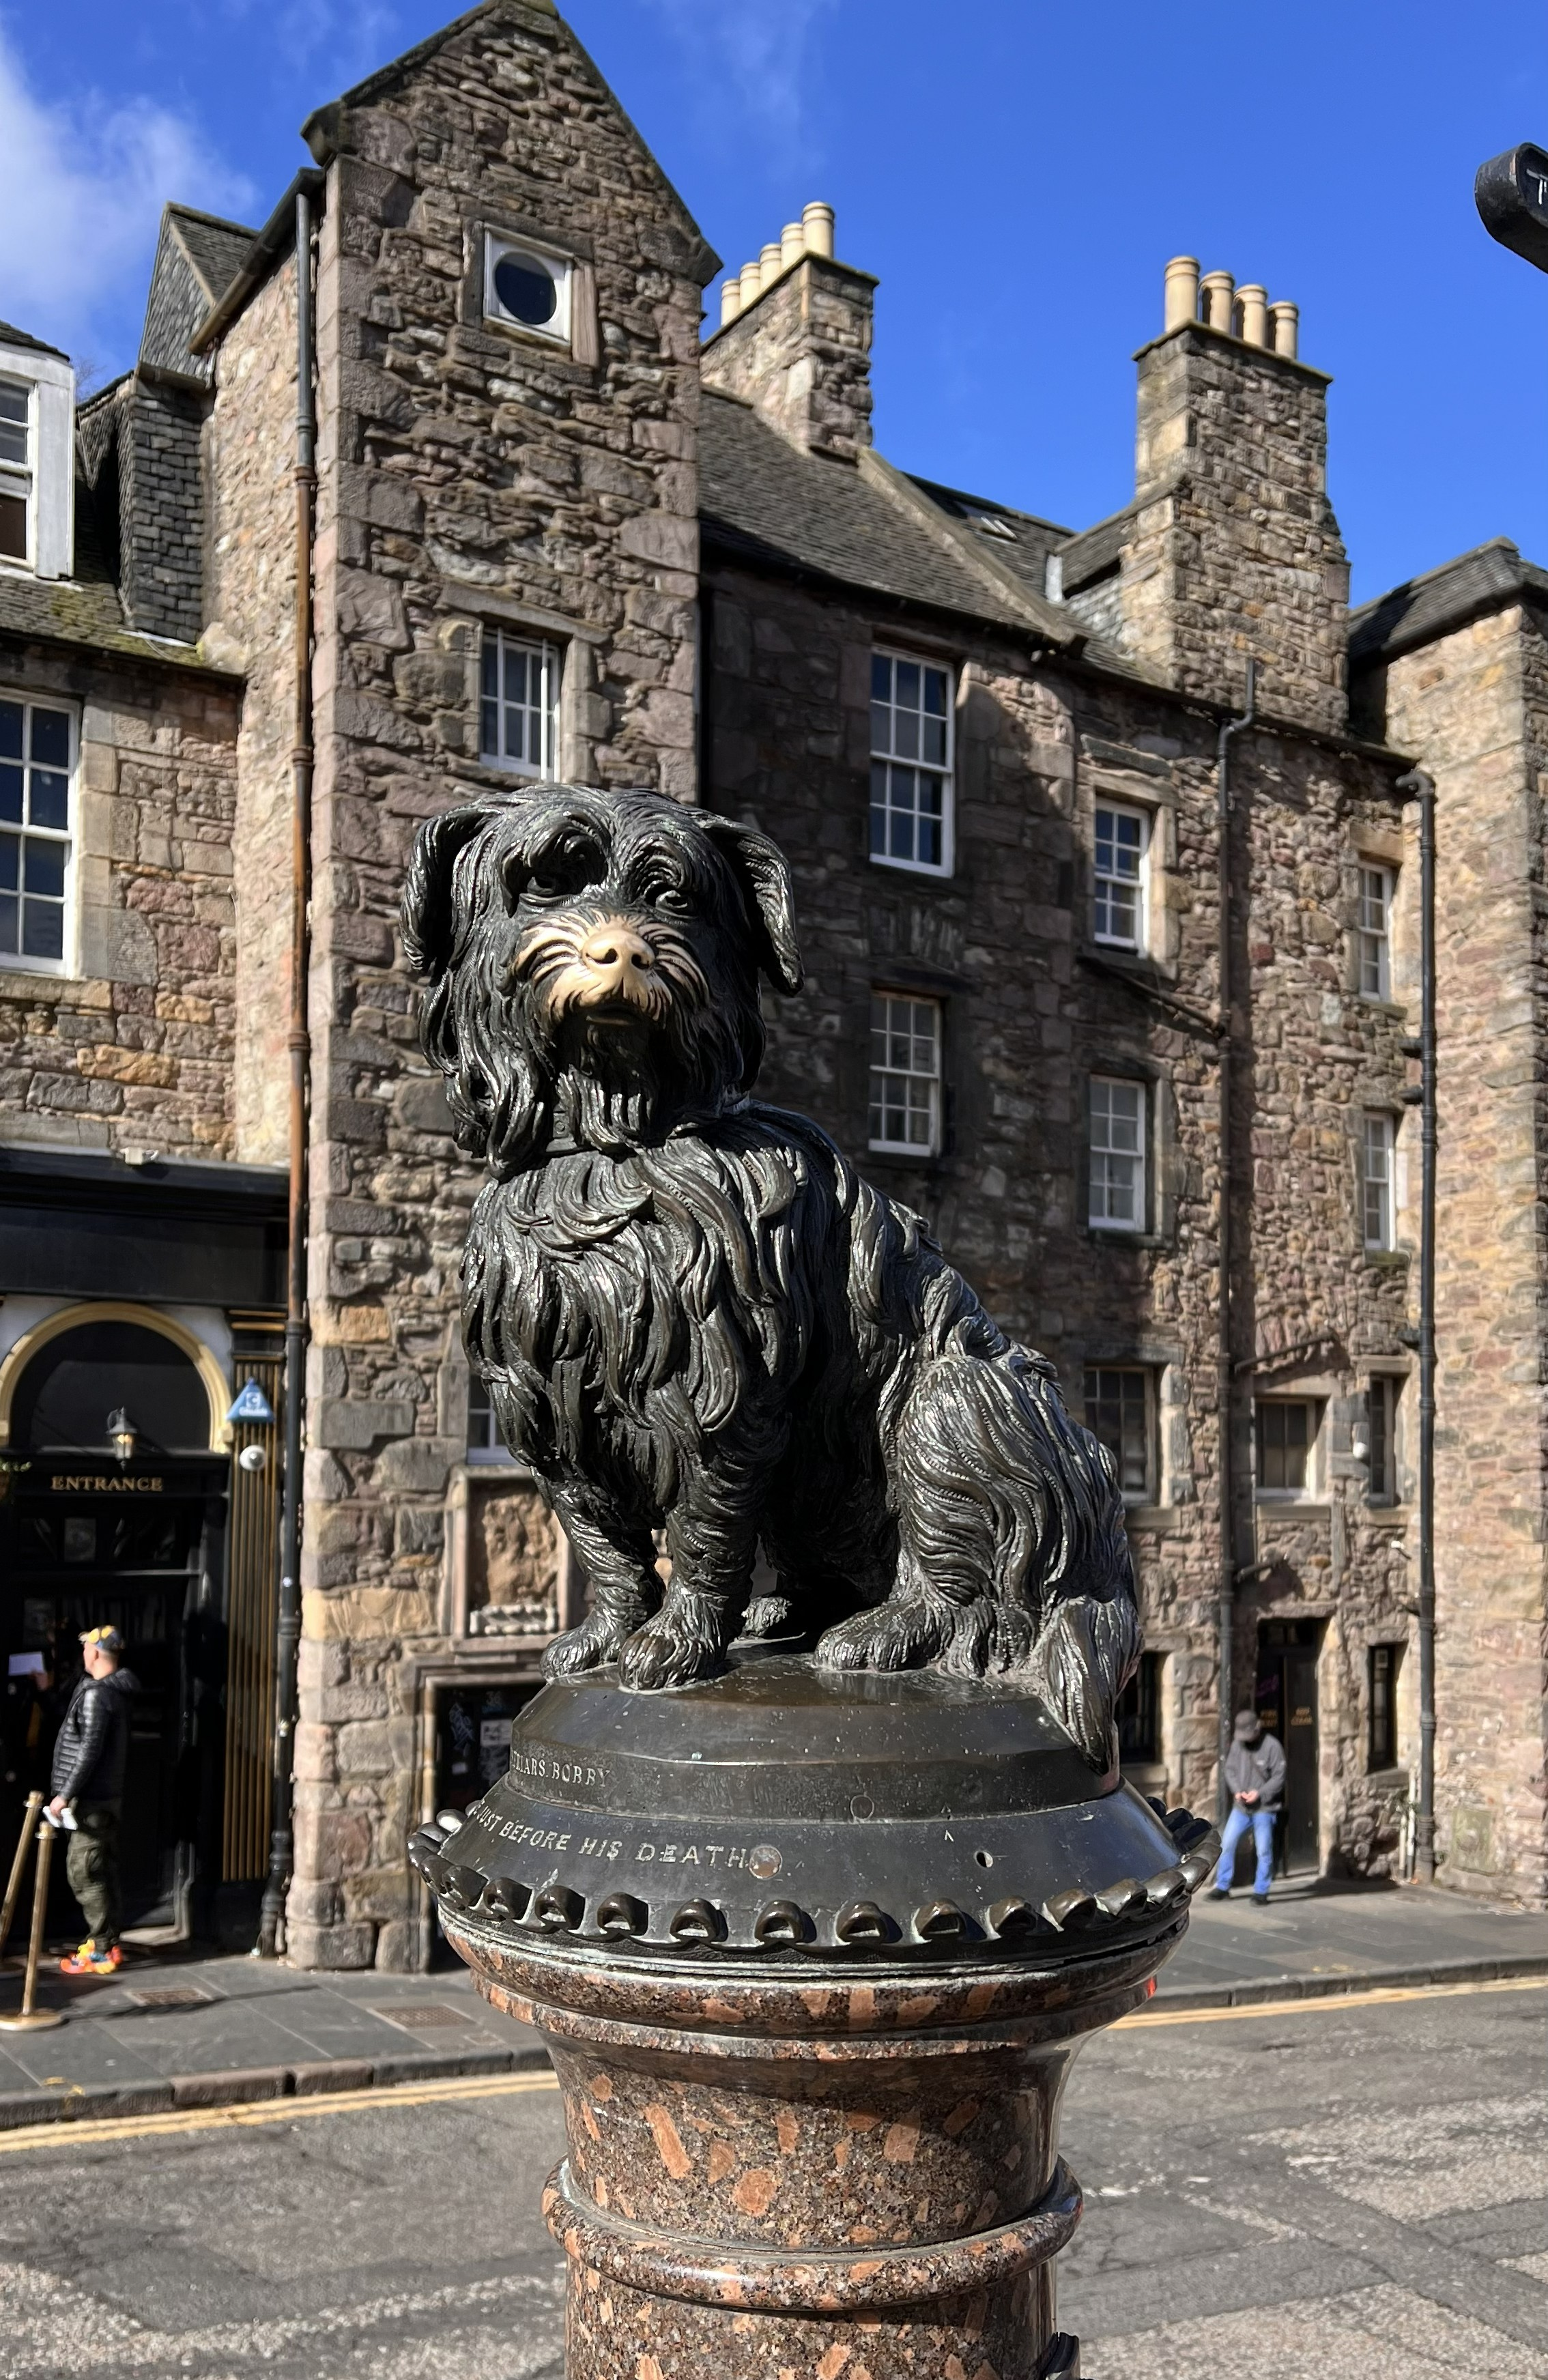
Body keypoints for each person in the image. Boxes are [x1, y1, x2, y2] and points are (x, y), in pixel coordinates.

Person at [48, 1626, 139, 1976]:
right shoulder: (114, 1692)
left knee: (83, 1872)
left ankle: (101, 1950)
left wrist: (64, 1795)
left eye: (86, 1647)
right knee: (103, 1869)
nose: (83, 1652)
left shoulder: (98, 1695)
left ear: (96, 1654)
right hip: (106, 1799)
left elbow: (88, 1751)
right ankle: (108, 1942)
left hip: (91, 1802)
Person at [1210, 1707, 1287, 1907]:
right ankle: (1223, 1886)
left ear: (1257, 1729)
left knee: (1263, 1850)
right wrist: (1237, 1791)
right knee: (1226, 1844)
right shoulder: (1237, 1745)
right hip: (1241, 1808)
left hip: (1264, 1808)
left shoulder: (1272, 1747)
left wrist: (1259, 1794)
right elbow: (1230, 1770)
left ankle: (1261, 1891)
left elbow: (1280, 1777)